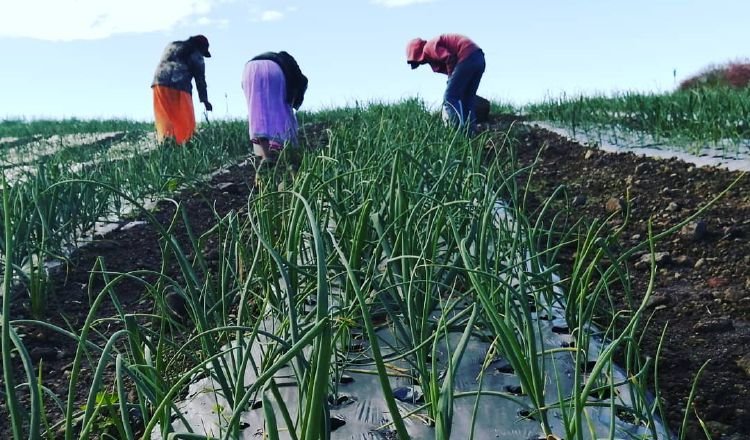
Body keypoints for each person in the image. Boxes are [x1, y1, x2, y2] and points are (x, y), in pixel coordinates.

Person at [406, 34, 486, 133]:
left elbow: (449, 58)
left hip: (467, 56)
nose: (421, 64)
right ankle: (470, 132)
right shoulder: (433, 48)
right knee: (467, 98)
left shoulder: (428, 48)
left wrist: (450, 78)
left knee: (450, 97)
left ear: (416, 53)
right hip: (478, 58)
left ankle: (456, 132)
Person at [241, 51, 308, 166]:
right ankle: (289, 154)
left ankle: (266, 155)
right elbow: (291, 100)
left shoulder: (285, 60)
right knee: (282, 111)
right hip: (274, 69)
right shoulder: (297, 78)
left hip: (249, 70)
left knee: (257, 112)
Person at [152, 35, 213, 144]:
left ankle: (166, 143)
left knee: (165, 119)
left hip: (159, 83)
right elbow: (200, 80)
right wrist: (204, 100)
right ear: (201, 47)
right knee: (186, 124)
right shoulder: (196, 54)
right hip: (179, 86)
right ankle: (185, 146)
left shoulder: (172, 45)